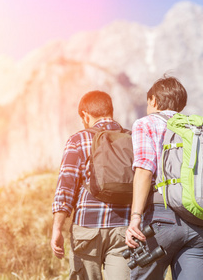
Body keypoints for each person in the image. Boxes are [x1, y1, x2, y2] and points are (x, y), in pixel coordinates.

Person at [125, 75, 203, 280]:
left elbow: (144, 169)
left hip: (160, 221)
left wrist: (135, 218)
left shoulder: (146, 124)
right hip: (202, 227)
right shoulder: (200, 129)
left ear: (153, 101)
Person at [51, 90, 131, 280]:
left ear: (85, 116)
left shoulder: (78, 140)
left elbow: (66, 187)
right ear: (111, 111)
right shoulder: (132, 138)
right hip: (124, 228)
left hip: (87, 227)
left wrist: (57, 229)